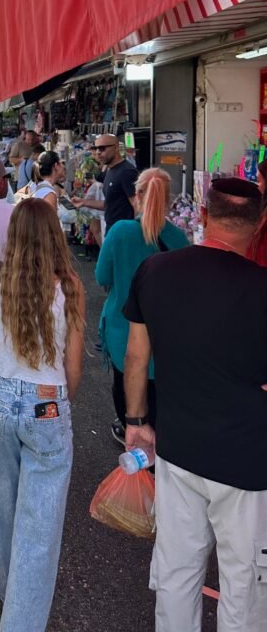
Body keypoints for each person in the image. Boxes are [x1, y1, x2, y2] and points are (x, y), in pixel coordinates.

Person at [123, 178, 267, 632]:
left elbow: (135, 357)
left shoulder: (156, 271)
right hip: (248, 463)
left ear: (203, 215)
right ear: (260, 224)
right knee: (243, 583)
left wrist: (137, 421)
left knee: (177, 570)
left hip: (177, 448)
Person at [0, 198, 85, 632]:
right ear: (54, 234)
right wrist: (61, 402)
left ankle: (8, 589)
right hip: (46, 397)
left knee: (5, 500)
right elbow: (73, 367)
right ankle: (21, 621)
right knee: (41, 523)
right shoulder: (69, 283)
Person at [94, 168, 188, 446]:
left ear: (136, 196)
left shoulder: (120, 232)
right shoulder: (179, 239)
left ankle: (131, 434)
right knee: (158, 392)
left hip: (121, 330)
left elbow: (101, 276)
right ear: (169, 201)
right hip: (164, 333)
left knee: (125, 386)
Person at [72, 134, 137, 232]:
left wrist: (135, 234)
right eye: (96, 148)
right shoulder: (109, 170)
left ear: (115, 147)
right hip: (112, 230)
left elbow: (137, 205)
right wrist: (84, 202)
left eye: (102, 148)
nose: (98, 152)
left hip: (124, 234)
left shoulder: (126, 171)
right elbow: (110, 203)